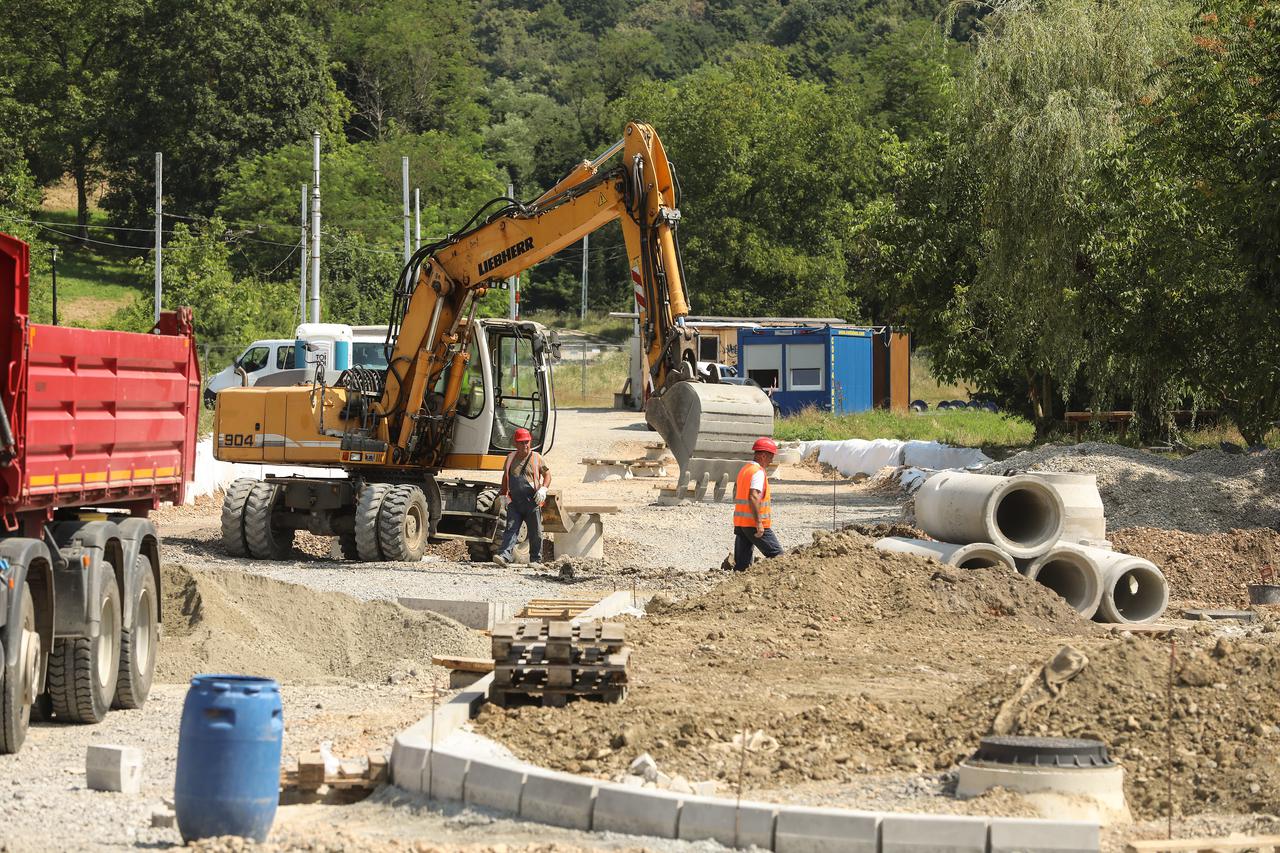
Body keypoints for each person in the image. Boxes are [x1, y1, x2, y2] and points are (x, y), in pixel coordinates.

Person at [494, 427, 551, 567]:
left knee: (535, 532)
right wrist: (503, 494)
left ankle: (535, 560)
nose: (525, 445)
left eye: (527, 442)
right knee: (511, 529)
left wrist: (543, 489)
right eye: (521, 442)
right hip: (515, 502)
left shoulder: (537, 458)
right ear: (515, 444)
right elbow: (505, 477)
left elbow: (547, 475)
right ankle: (504, 557)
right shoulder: (510, 458)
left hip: (532, 502)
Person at [731, 436, 783, 571]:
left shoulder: (745, 470)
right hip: (754, 524)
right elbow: (753, 496)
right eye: (771, 456)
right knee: (779, 557)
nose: (772, 460)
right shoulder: (758, 472)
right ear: (763, 456)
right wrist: (759, 523)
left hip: (741, 523)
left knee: (742, 566)